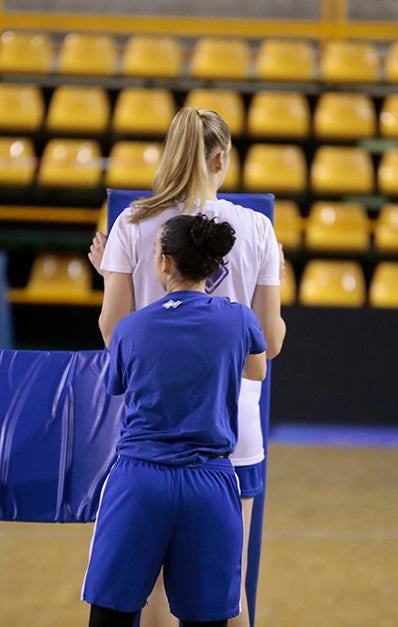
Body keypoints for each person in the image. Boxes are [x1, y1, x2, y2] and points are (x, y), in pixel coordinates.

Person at [88, 107, 286, 627]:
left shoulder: (132, 222)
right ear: (220, 158)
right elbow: (271, 342)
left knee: (145, 586)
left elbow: (114, 329)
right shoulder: (258, 228)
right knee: (226, 589)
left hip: (152, 423)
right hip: (231, 427)